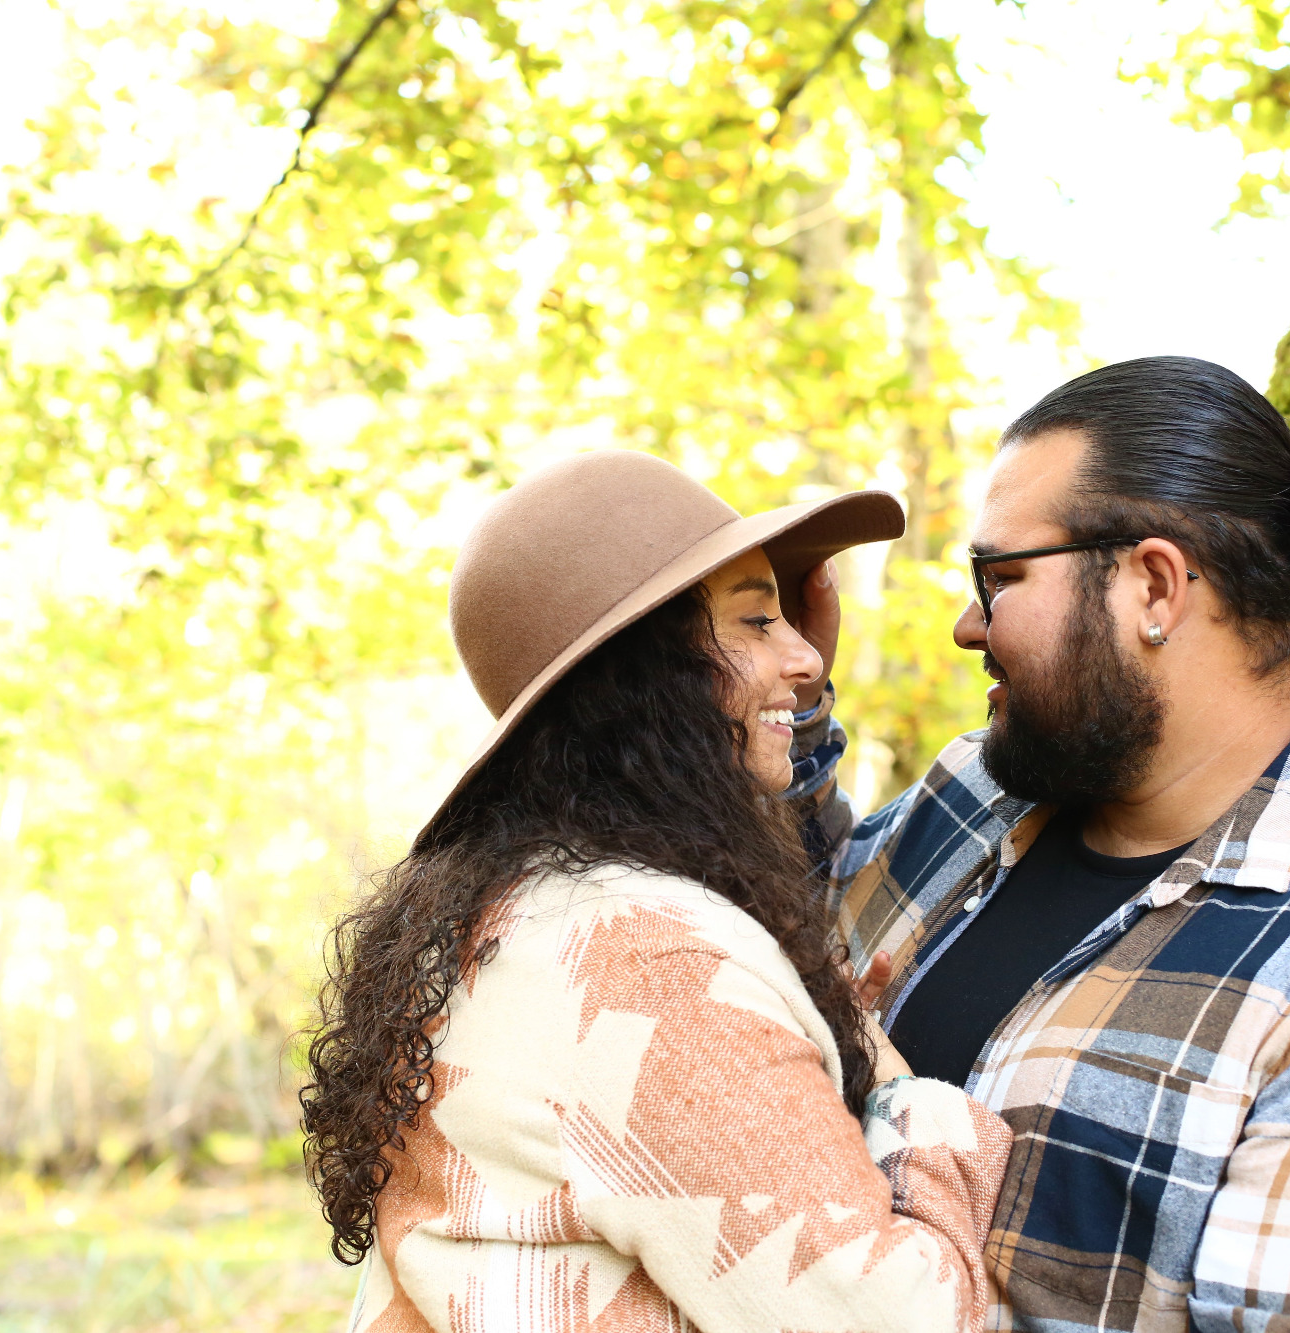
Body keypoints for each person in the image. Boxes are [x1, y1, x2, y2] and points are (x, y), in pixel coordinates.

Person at [788, 356, 1290, 1333]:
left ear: (1153, 586)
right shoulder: (981, 784)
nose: (968, 625)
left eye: (998, 577)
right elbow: (785, 922)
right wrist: (779, 697)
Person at [301, 449, 1014, 1333]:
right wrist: (908, 1093)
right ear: (643, 677)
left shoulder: (517, 912)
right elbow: (903, 1321)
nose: (804, 655)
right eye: (756, 620)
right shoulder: (648, 967)